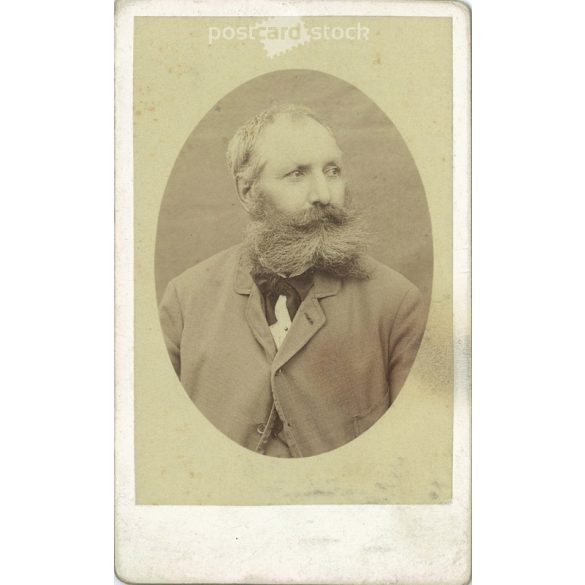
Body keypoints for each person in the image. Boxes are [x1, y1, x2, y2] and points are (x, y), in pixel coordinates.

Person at [159, 104, 426, 458]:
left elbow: (412, 454)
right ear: (248, 193)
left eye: (332, 171)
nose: (323, 194)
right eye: (297, 174)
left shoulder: (396, 304)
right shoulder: (185, 300)